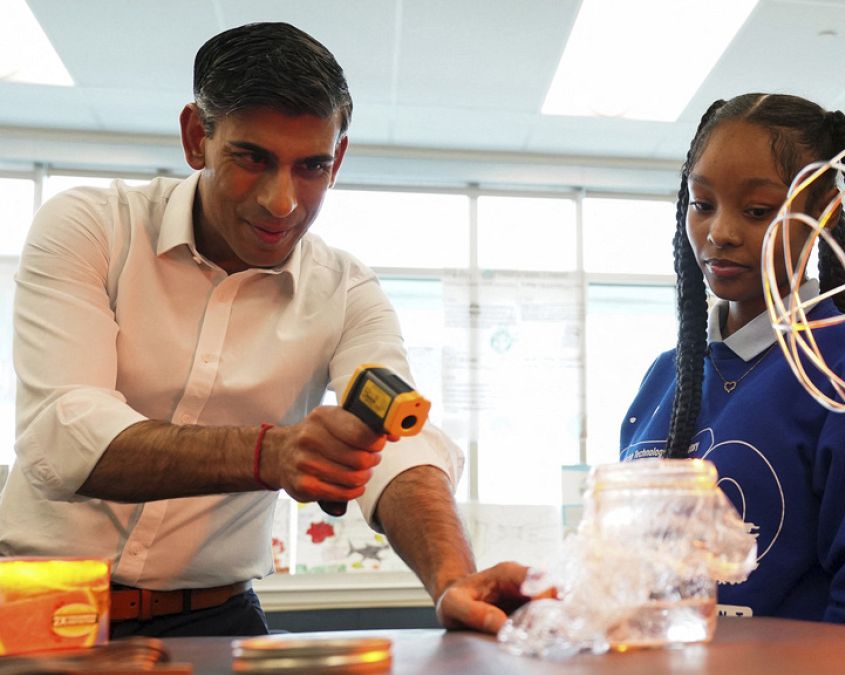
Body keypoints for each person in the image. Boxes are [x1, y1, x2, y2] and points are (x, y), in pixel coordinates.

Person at [0, 22, 526, 638]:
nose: (283, 202)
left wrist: (453, 577)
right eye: (252, 159)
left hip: (219, 617)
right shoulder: (92, 227)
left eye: (311, 167)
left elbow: (399, 439)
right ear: (197, 137)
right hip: (36, 606)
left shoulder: (347, 289)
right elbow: (63, 436)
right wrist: (269, 454)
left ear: (340, 158)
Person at [619, 93, 845, 630]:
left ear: (822, 215)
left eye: (756, 211)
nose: (719, 233)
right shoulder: (664, 375)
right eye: (702, 204)